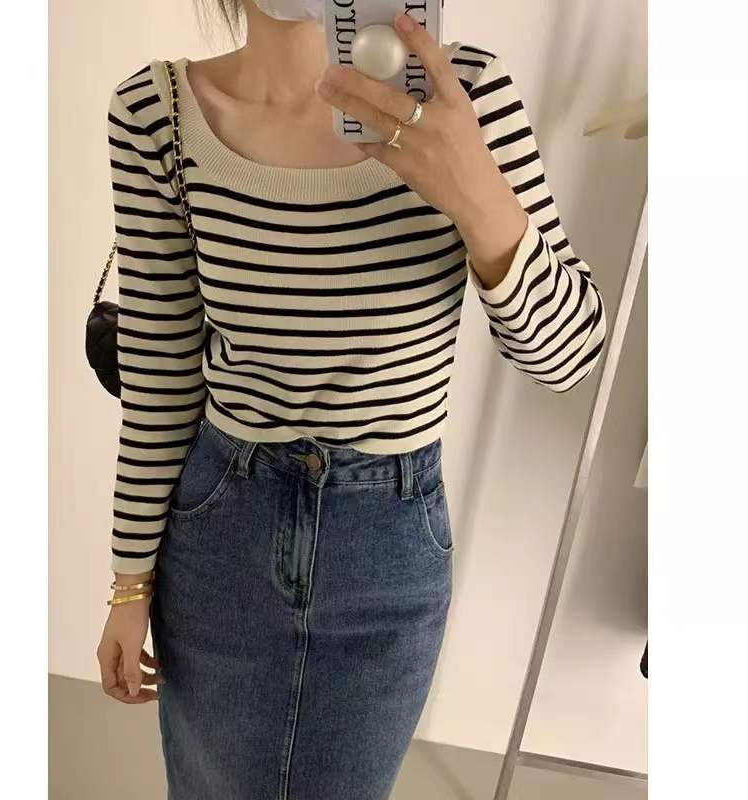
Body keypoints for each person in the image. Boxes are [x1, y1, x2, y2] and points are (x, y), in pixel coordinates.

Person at [96, 2, 607, 797]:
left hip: (388, 544)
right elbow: (160, 376)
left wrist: (477, 194)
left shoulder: (465, 93)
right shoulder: (155, 113)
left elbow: (567, 358)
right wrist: (129, 582)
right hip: (221, 535)